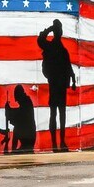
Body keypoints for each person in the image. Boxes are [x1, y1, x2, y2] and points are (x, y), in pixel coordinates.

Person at [37, 19, 77, 151]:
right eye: (58, 30)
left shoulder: (62, 50)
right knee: (55, 113)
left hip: (60, 85)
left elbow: (68, 66)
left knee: (60, 114)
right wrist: (50, 28)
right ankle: (55, 143)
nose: (60, 32)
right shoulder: (50, 46)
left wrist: (73, 79)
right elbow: (40, 40)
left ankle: (61, 142)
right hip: (54, 84)